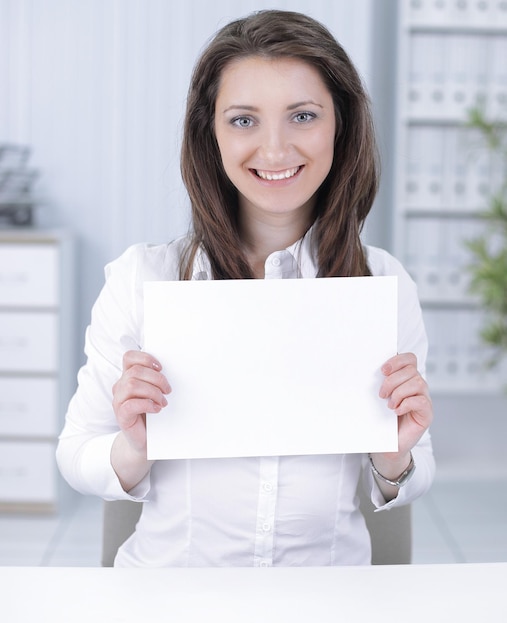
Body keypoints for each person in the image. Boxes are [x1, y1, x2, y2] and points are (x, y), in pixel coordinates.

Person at [56, 9, 435, 567]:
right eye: (243, 120)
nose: (276, 150)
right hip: (171, 596)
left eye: (303, 116)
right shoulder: (144, 279)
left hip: (328, 597)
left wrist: (393, 457)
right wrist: (135, 447)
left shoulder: (381, 283)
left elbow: (414, 468)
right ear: (210, 134)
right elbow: (74, 454)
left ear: (342, 126)